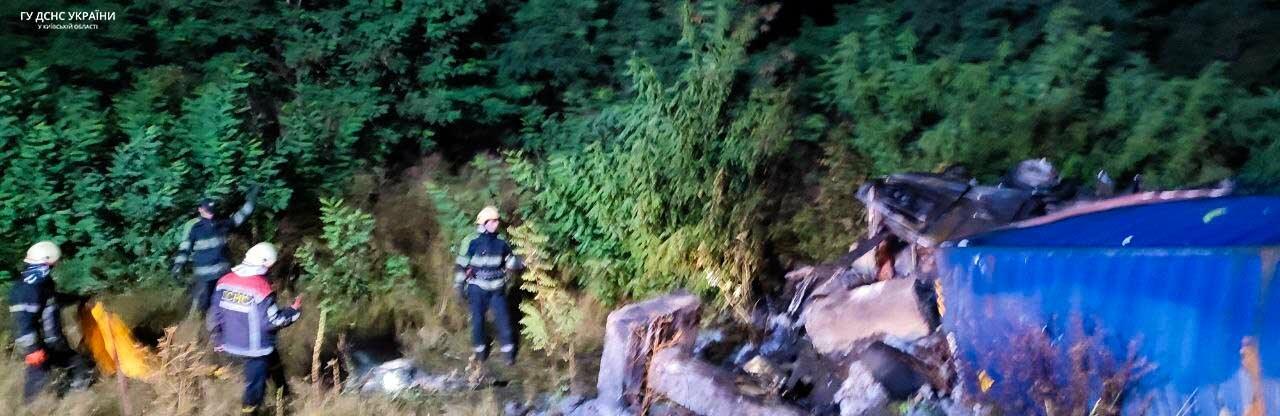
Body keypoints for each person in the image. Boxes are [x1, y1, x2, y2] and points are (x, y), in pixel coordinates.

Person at [207, 242, 302, 416]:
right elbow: (273, 321)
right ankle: (253, 410)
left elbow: (214, 315)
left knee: (273, 358)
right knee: (254, 389)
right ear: (265, 263)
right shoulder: (261, 287)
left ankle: (284, 394)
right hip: (254, 350)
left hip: (228, 345)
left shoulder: (224, 281)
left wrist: (218, 339)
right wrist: (293, 311)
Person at [10, 241, 91, 402]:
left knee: (76, 363)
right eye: (52, 265)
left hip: (52, 341)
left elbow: (52, 300)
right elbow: (22, 322)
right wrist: (33, 350)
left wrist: (78, 299)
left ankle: (74, 400)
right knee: (39, 376)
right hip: (36, 345)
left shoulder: (42, 284)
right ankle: (33, 408)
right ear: (44, 263)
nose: (53, 268)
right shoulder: (27, 289)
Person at [171, 186, 259, 316]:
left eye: (211, 210)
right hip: (205, 277)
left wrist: (251, 200)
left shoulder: (221, 224)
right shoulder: (195, 229)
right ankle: (201, 323)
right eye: (207, 211)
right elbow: (185, 248)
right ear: (200, 210)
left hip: (223, 274)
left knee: (226, 304)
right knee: (204, 306)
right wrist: (178, 265)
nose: (210, 214)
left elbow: (241, 216)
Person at [453, 206, 520, 365]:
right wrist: (459, 285)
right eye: (492, 221)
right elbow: (461, 265)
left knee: (504, 321)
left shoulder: (501, 241)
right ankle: (480, 352)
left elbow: (509, 261)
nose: (496, 224)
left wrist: (521, 262)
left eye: (497, 221)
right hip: (477, 288)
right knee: (477, 321)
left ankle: (509, 355)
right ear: (483, 223)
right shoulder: (471, 241)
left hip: (497, 289)